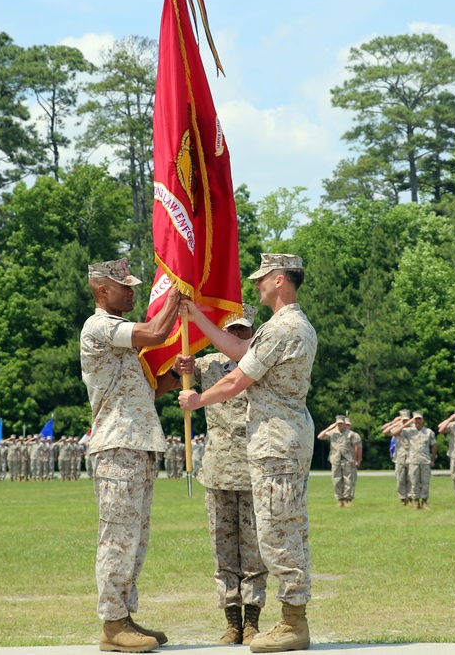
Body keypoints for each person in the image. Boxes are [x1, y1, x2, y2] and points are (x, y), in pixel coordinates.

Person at [178, 253, 317, 654]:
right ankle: (292, 618)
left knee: (278, 533)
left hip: (277, 444)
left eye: (262, 278)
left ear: (279, 279)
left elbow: (236, 379)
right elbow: (239, 350)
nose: (257, 284)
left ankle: (294, 622)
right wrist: (198, 318)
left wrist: (197, 400)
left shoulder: (283, 327)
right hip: (281, 440)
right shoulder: (286, 325)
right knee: (282, 529)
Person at [80, 256, 182, 653]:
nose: (132, 292)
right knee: (117, 539)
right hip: (117, 447)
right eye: (125, 287)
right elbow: (156, 332)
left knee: (135, 541)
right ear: (103, 289)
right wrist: (176, 295)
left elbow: (147, 393)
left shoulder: (121, 336)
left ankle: (124, 616)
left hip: (138, 445)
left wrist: (175, 377)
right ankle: (112, 624)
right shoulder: (100, 326)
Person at [178, 303, 268, 645]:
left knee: (255, 551)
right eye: (231, 329)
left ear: (253, 332)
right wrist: (180, 368)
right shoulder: (207, 365)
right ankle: (232, 621)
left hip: (254, 468)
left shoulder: (261, 362)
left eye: (242, 329)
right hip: (217, 470)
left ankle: (252, 621)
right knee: (223, 550)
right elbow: (172, 380)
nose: (236, 334)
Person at [317, 415, 362, 507]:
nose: (339, 425)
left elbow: (356, 447)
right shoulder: (333, 433)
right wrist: (329, 427)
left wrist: (356, 460)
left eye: (341, 423)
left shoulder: (351, 434)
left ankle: (347, 499)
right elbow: (320, 436)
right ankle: (340, 499)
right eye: (338, 423)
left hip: (348, 459)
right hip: (335, 459)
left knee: (348, 480)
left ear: (345, 424)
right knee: (336, 479)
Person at [398, 412, 437, 510]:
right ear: (413, 420)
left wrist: (433, 459)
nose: (418, 421)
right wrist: (407, 423)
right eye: (416, 419)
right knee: (414, 482)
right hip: (413, 461)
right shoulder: (408, 431)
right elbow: (395, 432)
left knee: (425, 482)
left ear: (423, 420)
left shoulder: (429, 432)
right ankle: (416, 502)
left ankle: (424, 502)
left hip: (425, 461)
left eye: (419, 419)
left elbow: (434, 446)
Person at [382, 409, 412, 504]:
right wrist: (395, 423)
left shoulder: (414, 427)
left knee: (411, 478)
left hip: (412, 456)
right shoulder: (397, 428)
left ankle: (411, 498)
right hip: (400, 456)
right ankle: (403, 499)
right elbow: (385, 431)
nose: (405, 421)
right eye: (403, 419)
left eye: (406, 419)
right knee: (400, 478)